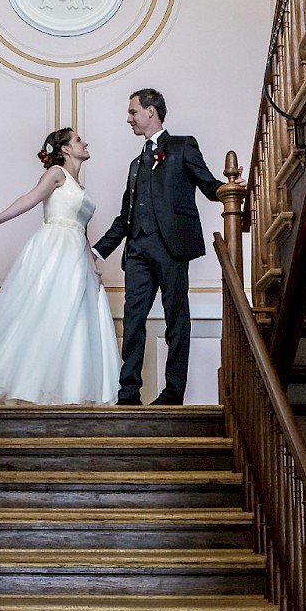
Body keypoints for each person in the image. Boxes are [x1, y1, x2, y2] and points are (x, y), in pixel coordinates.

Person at [0, 127, 120, 406]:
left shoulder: (81, 187)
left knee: (76, 319)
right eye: (79, 140)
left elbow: (81, 231)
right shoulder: (57, 173)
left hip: (76, 254)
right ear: (66, 149)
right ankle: (28, 386)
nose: (85, 142)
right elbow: (30, 199)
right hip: (55, 250)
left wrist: (93, 266)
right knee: (48, 313)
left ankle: (67, 389)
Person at [92, 88, 221, 406]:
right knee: (133, 320)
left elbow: (208, 184)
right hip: (137, 251)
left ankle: (173, 392)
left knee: (176, 319)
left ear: (151, 111)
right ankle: (128, 394)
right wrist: (95, 251)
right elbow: (126, 217)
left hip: (172, 247)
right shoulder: (136, 165)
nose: (129, 118)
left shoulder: (182, 146)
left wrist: (229, 189)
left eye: (133, 112)